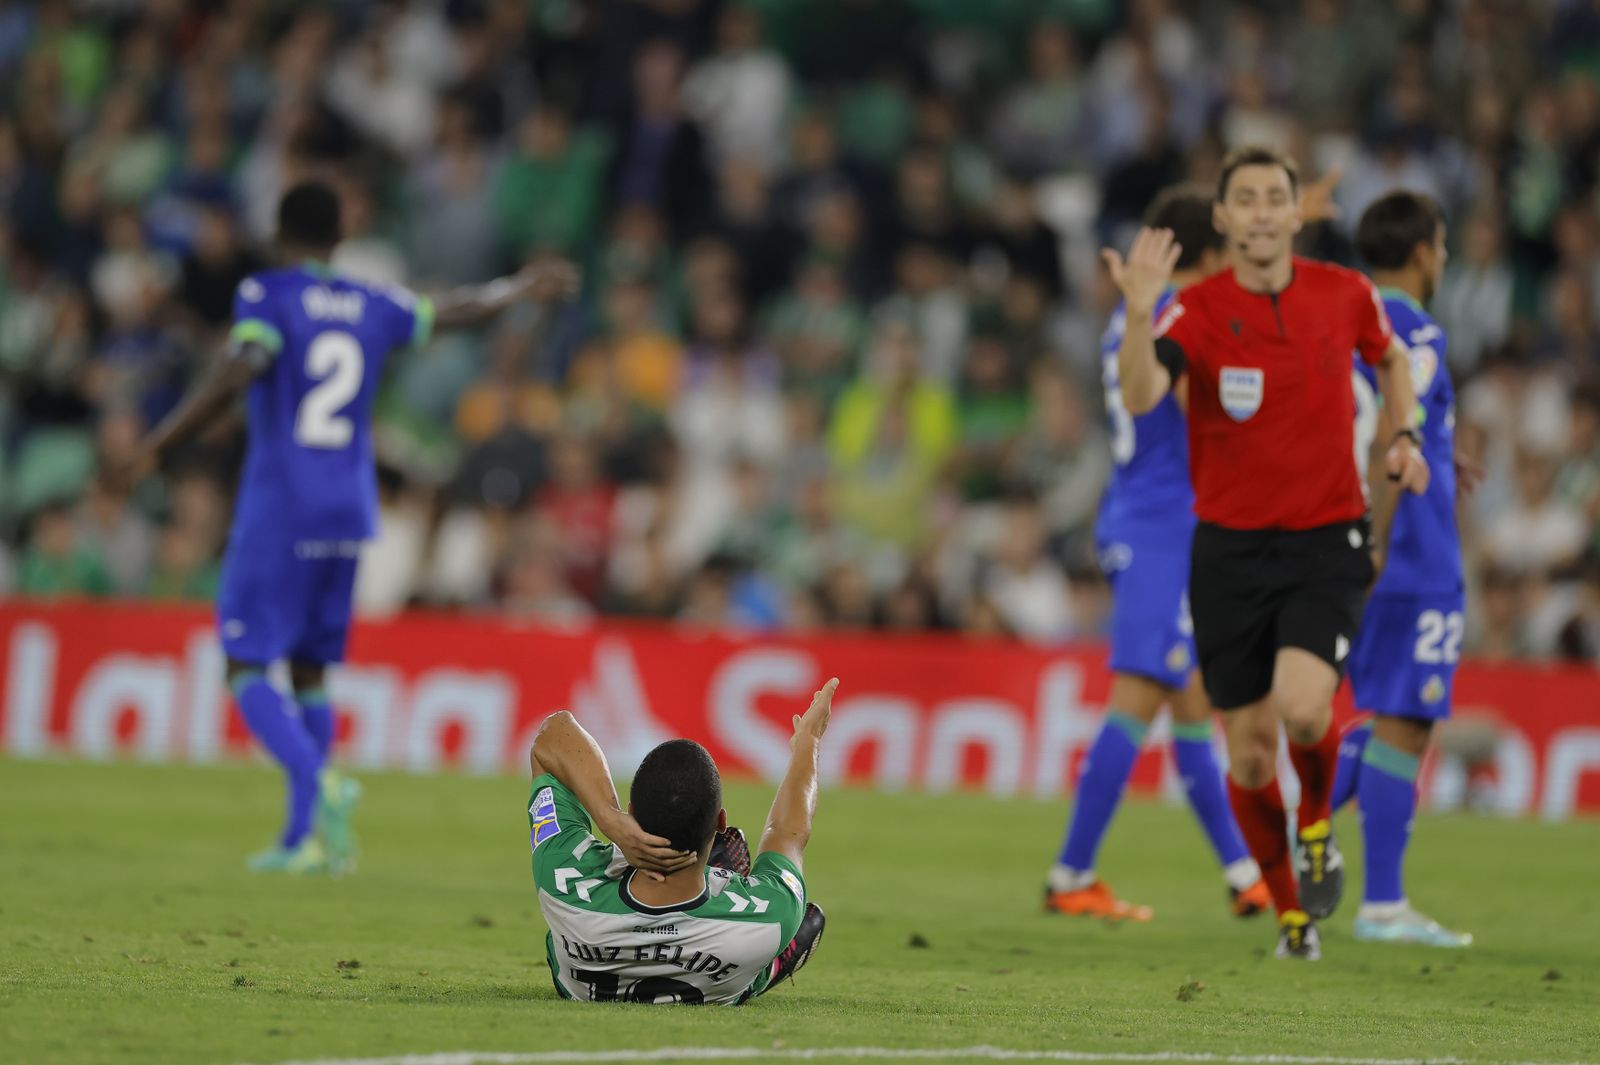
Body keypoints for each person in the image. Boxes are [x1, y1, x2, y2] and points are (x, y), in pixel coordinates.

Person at [104, 180, 579, 873]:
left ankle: (319, 783)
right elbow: (452, 311)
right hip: (349, 508)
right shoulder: (371, 301)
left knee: (243, 660)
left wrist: (155, 446)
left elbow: (241, 367)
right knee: (310, 671)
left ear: (279, 232)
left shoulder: (267, 295)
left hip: (282, 501)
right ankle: (311, 841)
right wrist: (518, 287)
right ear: (338, 238)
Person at [1103, 146, 1430, 960]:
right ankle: (1293, 916)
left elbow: (1391, 359)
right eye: (1242, 199)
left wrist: (1406, 433)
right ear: (1222, 218)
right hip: (1228, 553)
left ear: (1294, 214)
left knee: (1306, 707)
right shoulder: (1196, 309)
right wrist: (1141, 312)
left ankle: (1315, 822)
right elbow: (1143, 394)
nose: (1258, 211)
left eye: (1272, 198)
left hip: (1326, 540)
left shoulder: (1345, 293)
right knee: (1249, 754)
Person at [1046, 186, 1270, 922]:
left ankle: (1244, 874)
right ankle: (1072, 872)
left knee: (1190, 703)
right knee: (1140, 698)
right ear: (1207, 256)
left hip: (1148, 520)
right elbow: (1194, 414)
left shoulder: (1134, 314)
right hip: (1162, 530)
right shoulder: (1183, 317)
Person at [1331, 191, 1474, 948]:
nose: (1444, 258)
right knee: (1407, 718)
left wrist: (1447, 445)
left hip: (1367, 535)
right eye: (1442, 245)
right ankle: (1382, 903)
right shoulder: (1413, 327)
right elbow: (1394, 426)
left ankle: (1306, 835)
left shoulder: (1347, 321)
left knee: (1389, 713)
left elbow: (1398, 419)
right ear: (1422, 251)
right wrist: (1376, 539)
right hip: (1410, 551)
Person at [527, 679, 835, 1004]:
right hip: (729, 951)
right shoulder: (772, 914)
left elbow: (553, 734)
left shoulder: (562, 881)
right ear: (719, 822)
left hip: (583, 966)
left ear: (633, 813)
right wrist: (809, 742)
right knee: (801, 922)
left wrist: (609, 817)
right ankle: (764, 972)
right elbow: (787, 832)